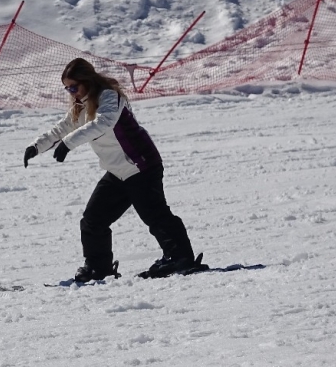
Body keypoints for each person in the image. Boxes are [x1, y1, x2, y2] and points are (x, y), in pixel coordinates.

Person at [23, 58, 202, 281]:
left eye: (73, 87)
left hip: (141, 164)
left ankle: (180, 258)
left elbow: (103, 123)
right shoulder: (80, 105)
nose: (71, 92)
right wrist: (36, 146)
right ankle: (99, 267)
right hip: (118, 171)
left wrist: (69, 144)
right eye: (67, 88)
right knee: (93, 219)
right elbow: (63, 128)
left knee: (154, 214)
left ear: (87, 81)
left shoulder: (109, 97)